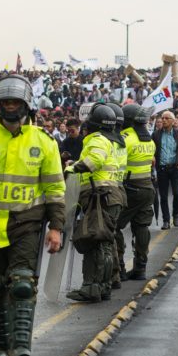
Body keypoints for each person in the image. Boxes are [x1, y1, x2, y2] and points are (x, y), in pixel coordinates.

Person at [0, 75, 64, 356]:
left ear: (26, 105)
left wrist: (56, 227)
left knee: (23, 284)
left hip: (27, 224)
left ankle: (22, 347)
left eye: (16, 102)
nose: (10, 107)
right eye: (6, 102)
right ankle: (2, 348)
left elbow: (55, 189)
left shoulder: (44, 142)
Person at [65, 104, 124, 303]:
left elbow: (94, 161)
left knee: (94, 242)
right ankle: (103, 287)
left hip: (100, 196)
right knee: (105, 242)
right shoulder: (114, 141)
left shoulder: (97, 140)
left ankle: (91, 288)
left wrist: (72, 168)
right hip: (112, 194)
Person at [116, 105, 156, 281]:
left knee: (114, 226)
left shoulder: (125, 138)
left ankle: (119, 269)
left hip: (130, 189)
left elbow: (116, 162)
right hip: (148, 188)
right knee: (141, 227)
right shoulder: (149, 140)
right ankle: (140, 268)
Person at [104, 103, 127, 290]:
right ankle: (120, 270)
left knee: (107, 236)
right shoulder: (122, 141)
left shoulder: (108, 143)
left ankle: (114, 275)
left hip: (109, 190)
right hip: (120, 189)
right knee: (114, 232)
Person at [152, 111, 178, 229]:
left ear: (172, 121)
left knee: (177, 193)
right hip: (162, 169)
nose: (164, 120)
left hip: (175, 169)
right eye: (163, 118)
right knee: (164, 196)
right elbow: (152, 150)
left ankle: (175, 214)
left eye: (167, 118)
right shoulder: (156, 135)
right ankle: (166, 220)